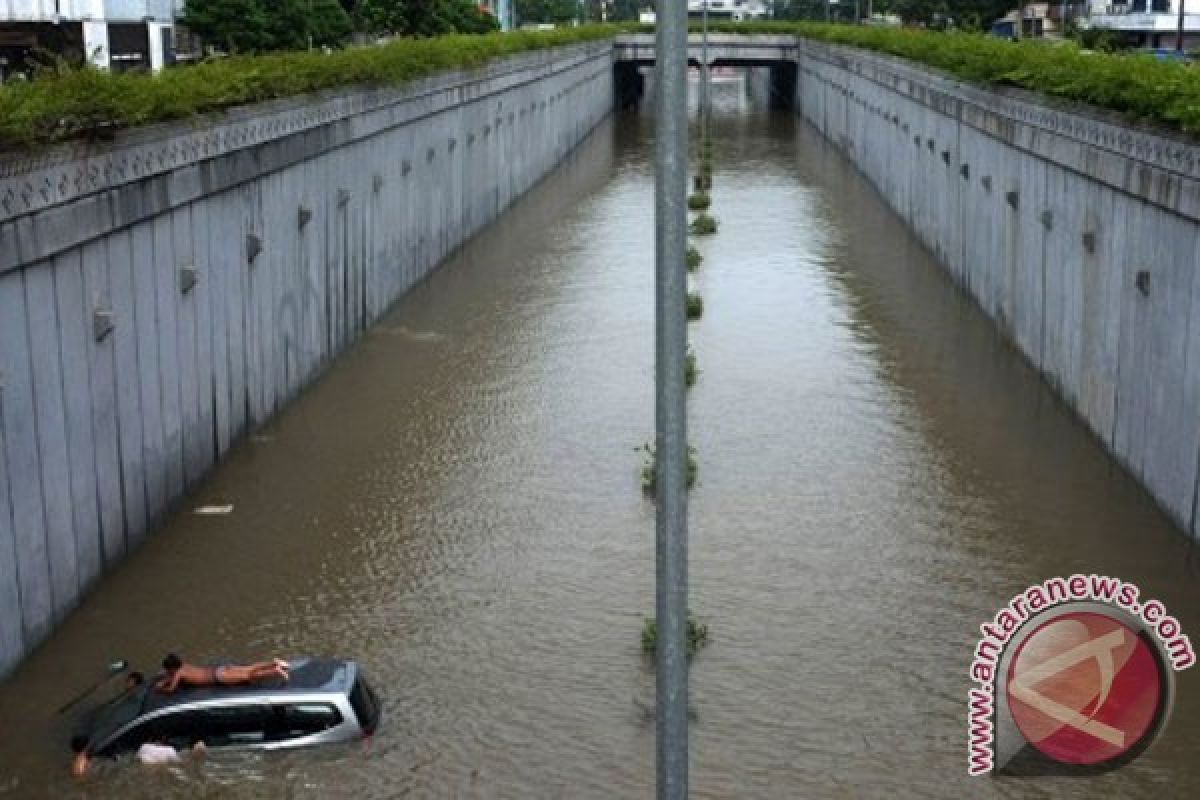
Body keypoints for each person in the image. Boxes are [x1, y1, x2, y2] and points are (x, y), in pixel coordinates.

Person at [154, 653, 288, 694]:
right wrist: (165, 680)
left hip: (220, 677)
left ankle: (275, 671)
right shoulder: (184, 666)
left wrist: (161, 688)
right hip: (220, 669)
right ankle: (274, 662)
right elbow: (172, 677)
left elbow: (172, 689)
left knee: (249, 676)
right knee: (249, 668)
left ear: (171, 668)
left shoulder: (178, 674)